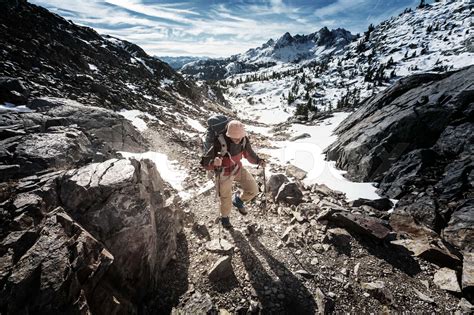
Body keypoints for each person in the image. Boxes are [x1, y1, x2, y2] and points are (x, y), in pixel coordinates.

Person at [201, 120, 266, 229]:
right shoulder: (219, 142)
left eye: (240, 137)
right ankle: (225, 218)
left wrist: (259, 161)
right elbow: (205, 162)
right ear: (228, 134)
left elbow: (249, 154)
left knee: (253, 189)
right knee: (226, 197)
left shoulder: (243, 139)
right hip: (223, 173)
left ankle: (238, 200)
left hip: (237, 169)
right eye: (235, 138)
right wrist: (214, 163)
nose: (238, 140)